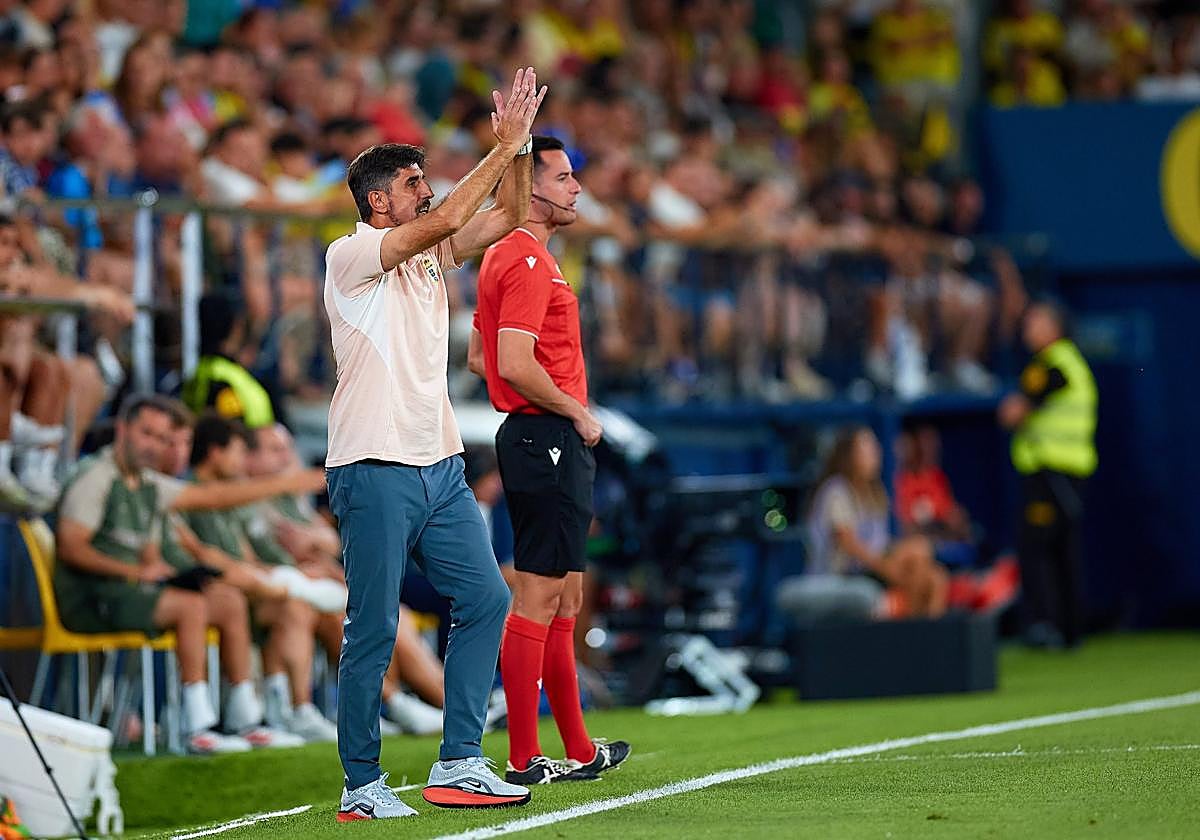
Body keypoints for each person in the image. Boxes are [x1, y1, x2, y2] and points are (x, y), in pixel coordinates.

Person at [323, 66, 545, 821]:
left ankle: (458, 763)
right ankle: (361, 785)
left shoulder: (422, 255)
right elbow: (451, 219)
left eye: (425, 180)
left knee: (485, 598)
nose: (425, 188)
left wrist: (517, 153)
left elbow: (508, 214)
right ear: (379, 199)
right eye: (413, 182)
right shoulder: (349, 255)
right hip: (373, 464)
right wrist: (502, 143)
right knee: (375, 625)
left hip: (439, 465)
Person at [470, 135, 630, 785]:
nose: (576, 188)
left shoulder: (508, 256)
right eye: (563, 178)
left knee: (565, 599)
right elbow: (510, 363)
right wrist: (576, 411)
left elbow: (483, 358)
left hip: (539, 434)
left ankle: (580, 750)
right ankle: (522, 756)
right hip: (548, 436)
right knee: (538, 597)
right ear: (528, 189)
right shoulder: (528, 260)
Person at [53, 394, 326, 753]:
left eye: (163, 439)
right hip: (92, 597)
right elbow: (72, 547)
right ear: (122, 429)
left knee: (227, 601)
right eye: (147, 434)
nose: (155, 446)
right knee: (191, 606)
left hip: (130, 591)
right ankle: (195, 726)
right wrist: (139, 570)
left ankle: (247, 719)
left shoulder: (146, 482)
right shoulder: (96, 477)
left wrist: (156, 570)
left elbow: (197, 509)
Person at [999, 300, 1097, 649]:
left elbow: (1014, 412)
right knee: (1057, 548)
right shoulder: (1063, 363)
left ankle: (1051, 626)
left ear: (1053, 327)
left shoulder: (1054, 365)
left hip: (1053, 474)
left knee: (1044, 548)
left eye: (1036, 321)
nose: (1028, 327)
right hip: (1060, 473)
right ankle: (1065, 628)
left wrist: (1014, 410)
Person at [790, 425, 949, 621]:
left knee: (933, 575)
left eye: (875, 448)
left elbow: (881, 544)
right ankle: (913, 637)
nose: (876, 453)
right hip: (840, 572)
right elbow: (848, 544)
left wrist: (894, 564)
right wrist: (888, 569)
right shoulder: (836, 490)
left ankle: (928, 640)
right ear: (849, 455)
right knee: (916, 563)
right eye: (867, 449)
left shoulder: (874, 492)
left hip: (870, 567)